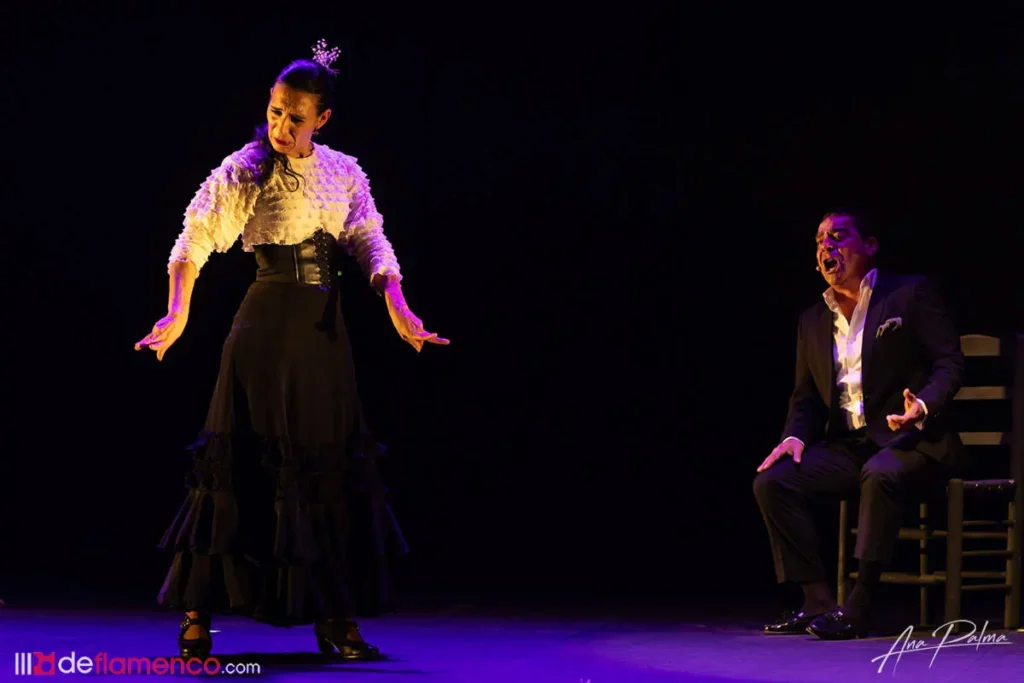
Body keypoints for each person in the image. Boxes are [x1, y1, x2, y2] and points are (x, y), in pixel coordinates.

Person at [135, 40, 448, 660]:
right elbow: (194, 240)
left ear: (322, 118)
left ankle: (334, 617)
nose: (281, 125)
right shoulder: (245, 169)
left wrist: (398, 305)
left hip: (323, 339)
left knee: (326, 469)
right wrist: (177, 311)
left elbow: (371, 241)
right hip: (267, 332)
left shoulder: (344, 171)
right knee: (244, 466)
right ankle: (198, 614)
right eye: (275, 111)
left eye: (295, 116)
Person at [752, 210, 964, 640]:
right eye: (819, 241)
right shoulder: (813, 320)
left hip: (915, 441)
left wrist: (922, 406)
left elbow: (950, 363)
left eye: (838, 236)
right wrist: (793, 436)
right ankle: (816, 600)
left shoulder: (908, 294)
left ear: (869, 245)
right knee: (773, 482)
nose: (826, 246)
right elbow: (805, 398)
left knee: (880, 472)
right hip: (852, 447)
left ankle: (860, 605)